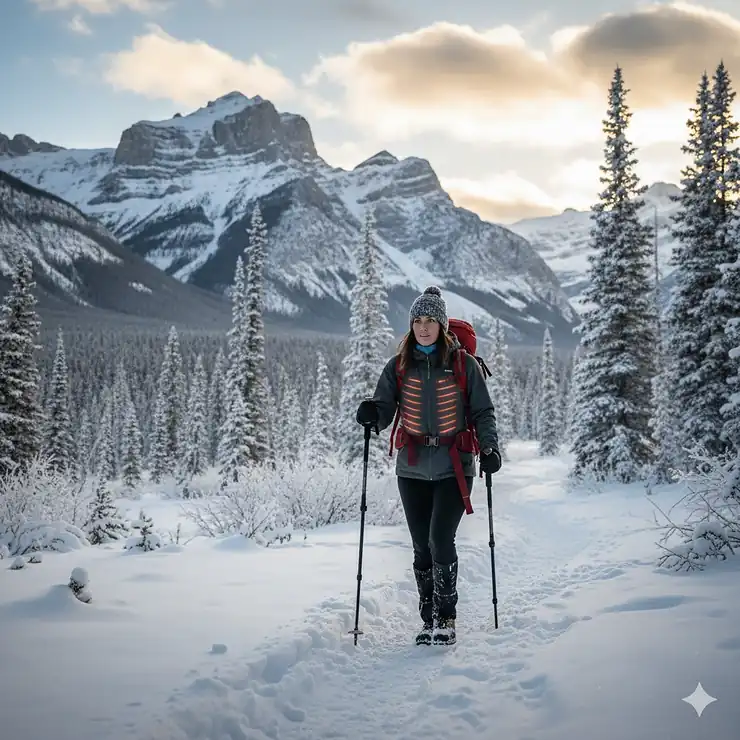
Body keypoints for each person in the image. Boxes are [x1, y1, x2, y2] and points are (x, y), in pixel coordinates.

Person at [356, 286, 501, 646]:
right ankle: (428, 618)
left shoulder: (463, 365)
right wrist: (372, 413)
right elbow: (386, 409)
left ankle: (446, 616)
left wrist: (490, 447)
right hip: (413, 468)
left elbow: (483, 411)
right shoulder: (399, 366)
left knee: (440, 539)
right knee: (421, 546)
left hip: (455, 466)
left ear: (441, 325)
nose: (423, 328)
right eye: (417, 321)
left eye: (430, 321)